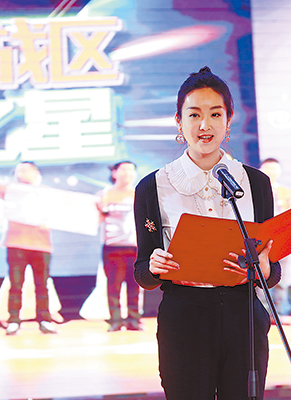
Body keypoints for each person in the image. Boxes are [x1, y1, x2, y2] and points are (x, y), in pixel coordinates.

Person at [133, 66, 281, 400]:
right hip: (184, 318)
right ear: (179, 121)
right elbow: (143, 272)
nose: (205, 125)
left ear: (229, 121)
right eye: (194, 114)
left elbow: (271, 270)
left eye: (215, 114)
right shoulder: (153, 186)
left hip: (244, 316)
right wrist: (155, 266)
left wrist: (264, 268)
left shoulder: (256, 183)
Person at [0, 157, 57, 335]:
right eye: (18, 171)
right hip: (16, 243)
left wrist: (50, 221)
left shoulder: (47, 192)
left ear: (35, 173)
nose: (20, 174)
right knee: (16, 284)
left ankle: (44, 320)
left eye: (24, 170)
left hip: (41, 245)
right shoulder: (11, 190)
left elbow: (59, 214)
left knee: (42, 285)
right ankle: (13, 320)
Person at [97, 161, 141, 331]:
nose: (127, 173)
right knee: (113, 286)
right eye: (123, 169)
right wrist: (100, 208)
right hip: (112, 247)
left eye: (131, 170)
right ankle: (115, 320)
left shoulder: (139, 194)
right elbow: (96, 219)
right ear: (114, 173)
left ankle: (134, 320)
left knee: (135, 285)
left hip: (135, 246)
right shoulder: (104, 195)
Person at [260, 157, 291, 315]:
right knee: (259, 276)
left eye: (274, 168)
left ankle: (278, 312)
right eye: (267, 168)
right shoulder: (255, 190)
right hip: (261, 239)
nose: (271, 172)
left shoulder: (287, 193)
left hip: (281, 239)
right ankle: (262, 312)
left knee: (281, 276)